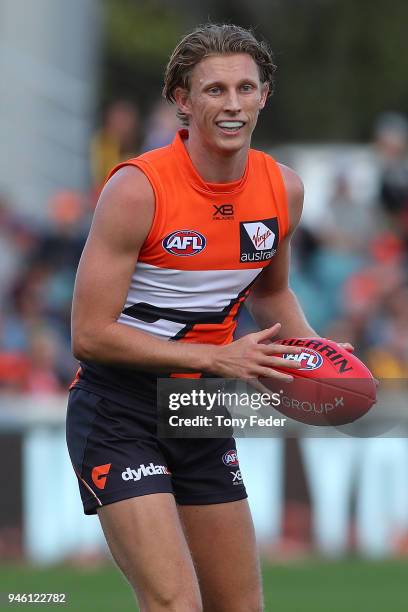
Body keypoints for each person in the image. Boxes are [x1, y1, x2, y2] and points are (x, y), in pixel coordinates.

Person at [67, 23, 320, 612]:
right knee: (177, 605)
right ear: (182, 101)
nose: (232, 104)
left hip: (199, 408)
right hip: (118, 408)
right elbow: (88, 335)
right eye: (213, 90)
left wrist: (316, 361)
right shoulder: (138, 189)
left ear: (264, 95)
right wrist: (216, 356)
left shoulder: (284, 190)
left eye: (244, 88)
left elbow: (273, 293)